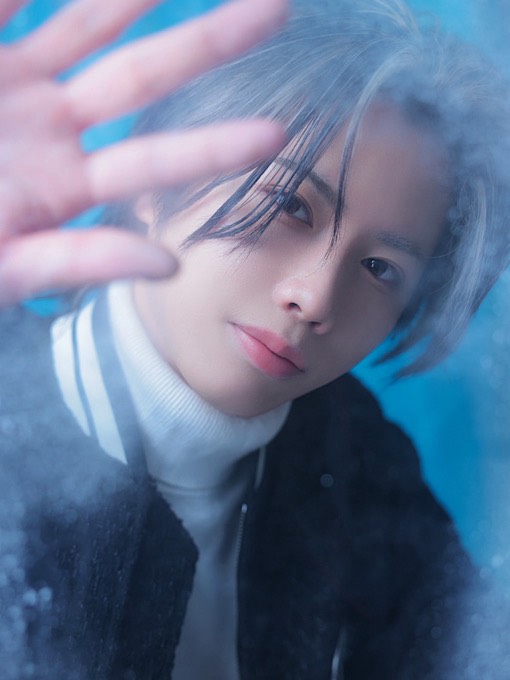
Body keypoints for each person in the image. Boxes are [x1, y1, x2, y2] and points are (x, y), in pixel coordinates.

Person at [0, 0, 509, 678]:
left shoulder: (355, 457)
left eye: (380, 269)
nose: (315, 297)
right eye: (291, 204)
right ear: (159, 179)